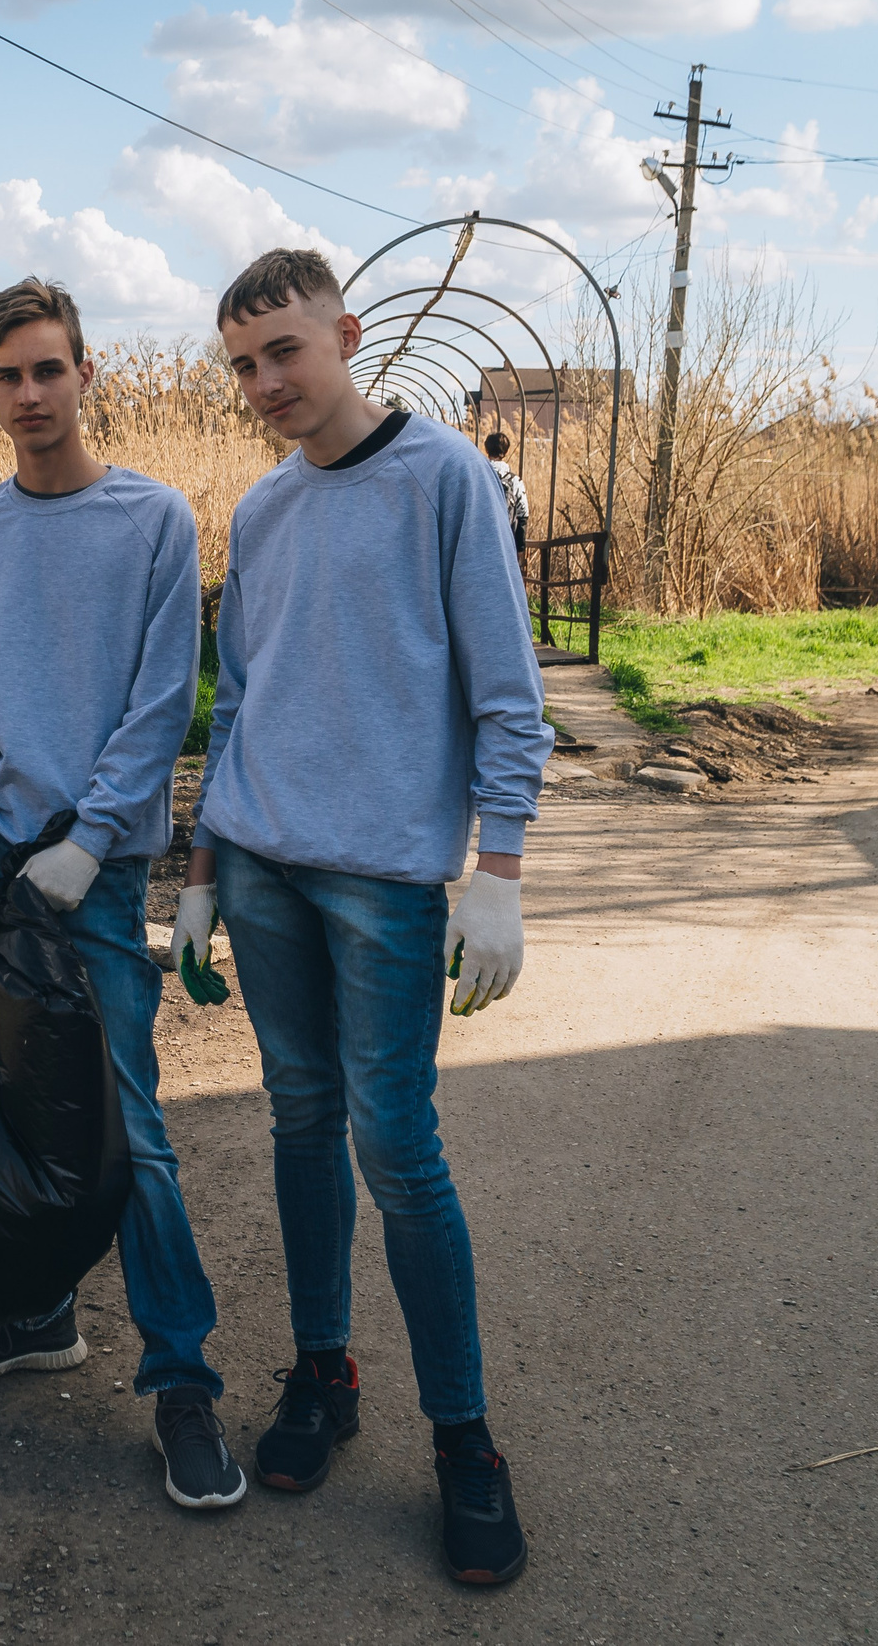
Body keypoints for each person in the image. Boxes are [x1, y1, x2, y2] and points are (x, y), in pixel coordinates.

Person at [178, 248, 552, 1582]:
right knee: (296, 1117)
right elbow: (239, 702)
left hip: (385, 880)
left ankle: (465, 1436)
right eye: (242, 364)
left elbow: (508, 692)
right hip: (267, 865)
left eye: (284, 351)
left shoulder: (442, 477)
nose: (266, 382)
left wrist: (497, 869)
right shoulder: (265, 511)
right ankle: (325, 1371)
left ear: (343, 335)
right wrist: (207, 870)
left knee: (397, 1145)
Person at [0, 277, 240, 1510]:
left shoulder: (151, 521)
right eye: (8, 375)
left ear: (84, 374)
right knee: (11, 1103)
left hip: (90, 872)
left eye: (48, 369)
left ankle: (181, 1381)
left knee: (128, 1127)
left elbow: (163, 696)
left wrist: (96, 836)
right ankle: (32, 1307)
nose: (29, 394)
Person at [484, 430, 530, 551]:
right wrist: (520, 548)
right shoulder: (514, 480)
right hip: (506, 545)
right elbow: (523, 514)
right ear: (505, 452)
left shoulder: (478, 476)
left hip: (481, 543)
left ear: (487, 450)